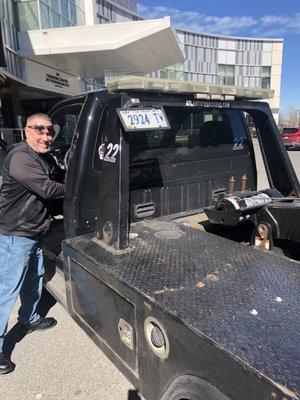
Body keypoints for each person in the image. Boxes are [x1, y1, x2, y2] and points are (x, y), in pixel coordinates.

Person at [0, 113, 65, 374]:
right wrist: (78, 186)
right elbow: (47, 189)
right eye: (39, 129)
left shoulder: (40, 155)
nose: (45, 136)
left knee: (35, 277)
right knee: (5, 292)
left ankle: (29, 319)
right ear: (25, 131)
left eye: (49, 131)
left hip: (34, 231)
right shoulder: (20, 157)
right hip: (15, 234)